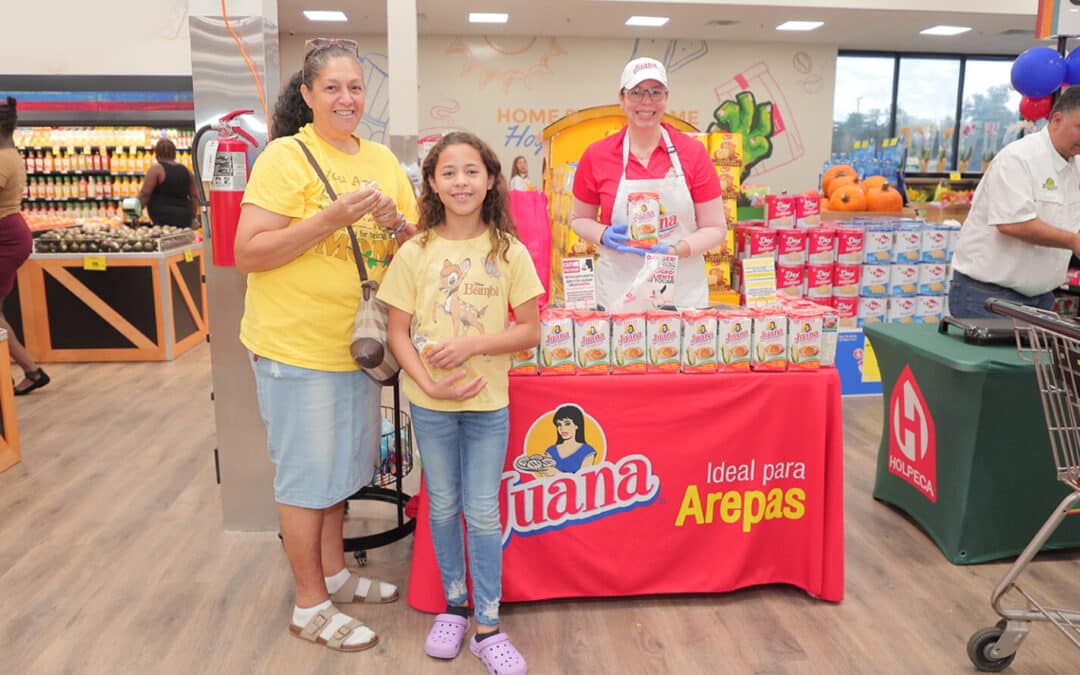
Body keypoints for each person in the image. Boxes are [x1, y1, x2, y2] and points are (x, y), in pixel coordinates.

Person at [233, 37, 420, 653]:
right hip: (294, 347)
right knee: (306, 479)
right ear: (308, 95)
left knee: (343, 471)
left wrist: (401, 228)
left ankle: (335, 573)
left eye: (356, 87)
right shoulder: (285, 157)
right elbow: (248, 252)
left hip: (359, 348)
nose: (346, 98)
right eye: (332, 87)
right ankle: (308, 603)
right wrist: (328, 219)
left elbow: (413, 248)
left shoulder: (384, 161)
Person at [378, 131, 543, 674]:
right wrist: (427, 382)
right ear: (431, 182)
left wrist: (472, 344)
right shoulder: (416, 252)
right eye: (448, 172)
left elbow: (529, 332)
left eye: (471, 171)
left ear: (491, 179)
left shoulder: (508, 250)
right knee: (442, 506)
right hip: (431, 405)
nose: (461, 182)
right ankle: (454, 605)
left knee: (481, 511)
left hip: (488, 404)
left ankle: (488, 624)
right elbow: (397, 332)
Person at [571, 57, 727, 310]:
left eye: (655, 93)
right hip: (618, 291)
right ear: (621, 99)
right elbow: (578, 220)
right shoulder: (596, 156)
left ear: (666, 97)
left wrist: (676, 250)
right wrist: (603, 234)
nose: (646, 102)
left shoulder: (693, 153)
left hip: (681, 292)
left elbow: (716, 228)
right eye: (637, 93)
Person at [949, 86, 1080, 317]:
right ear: (1057, 120)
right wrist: (1073, 241)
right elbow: (1013, 223)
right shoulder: (1019, 158)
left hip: (1042, 299)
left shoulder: (1075, 167)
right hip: (988, 298)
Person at [0, 96, 49, 396]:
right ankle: (26, 370)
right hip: (12, 231)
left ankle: (31, 370)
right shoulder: (9, 153)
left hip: (5, 234)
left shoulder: (2, 158)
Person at [137, 138, 199, 227]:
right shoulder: (187, 171)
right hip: (184, 216)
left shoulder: (156, 170)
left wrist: (136, 214)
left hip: (163, 218)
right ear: (174, 152)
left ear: (157, 152)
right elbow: (194, 196)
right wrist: (193, 215)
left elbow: (145, 194)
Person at [542, 404, 597, 474]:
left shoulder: (587, 452)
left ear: (577, 425)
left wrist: (556, 473)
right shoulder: (551, 451)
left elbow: (583, 480)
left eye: (567, 424)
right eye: (559, 424)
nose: (562, 428)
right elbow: (545, 477)